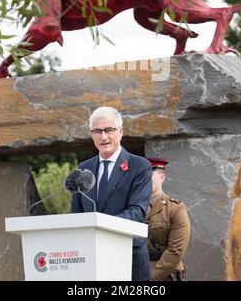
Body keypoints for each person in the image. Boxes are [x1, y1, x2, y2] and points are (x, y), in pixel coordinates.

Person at [70, 106, 152, 281]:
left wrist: (102, 226)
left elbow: (137, 211)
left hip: (127, 256)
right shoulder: (84, 168)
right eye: (97, 131)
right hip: (91, 258)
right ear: (91, 134)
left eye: (109, 130)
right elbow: (76, 214)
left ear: (120, 132)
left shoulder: (140, 166)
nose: (103, 136)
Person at [146, 157, 191, 281]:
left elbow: (176, 251)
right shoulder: (133, 207)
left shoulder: (175, 209)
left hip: (166, 275)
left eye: (148, 176)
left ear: (161, 178)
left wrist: (150, 277)